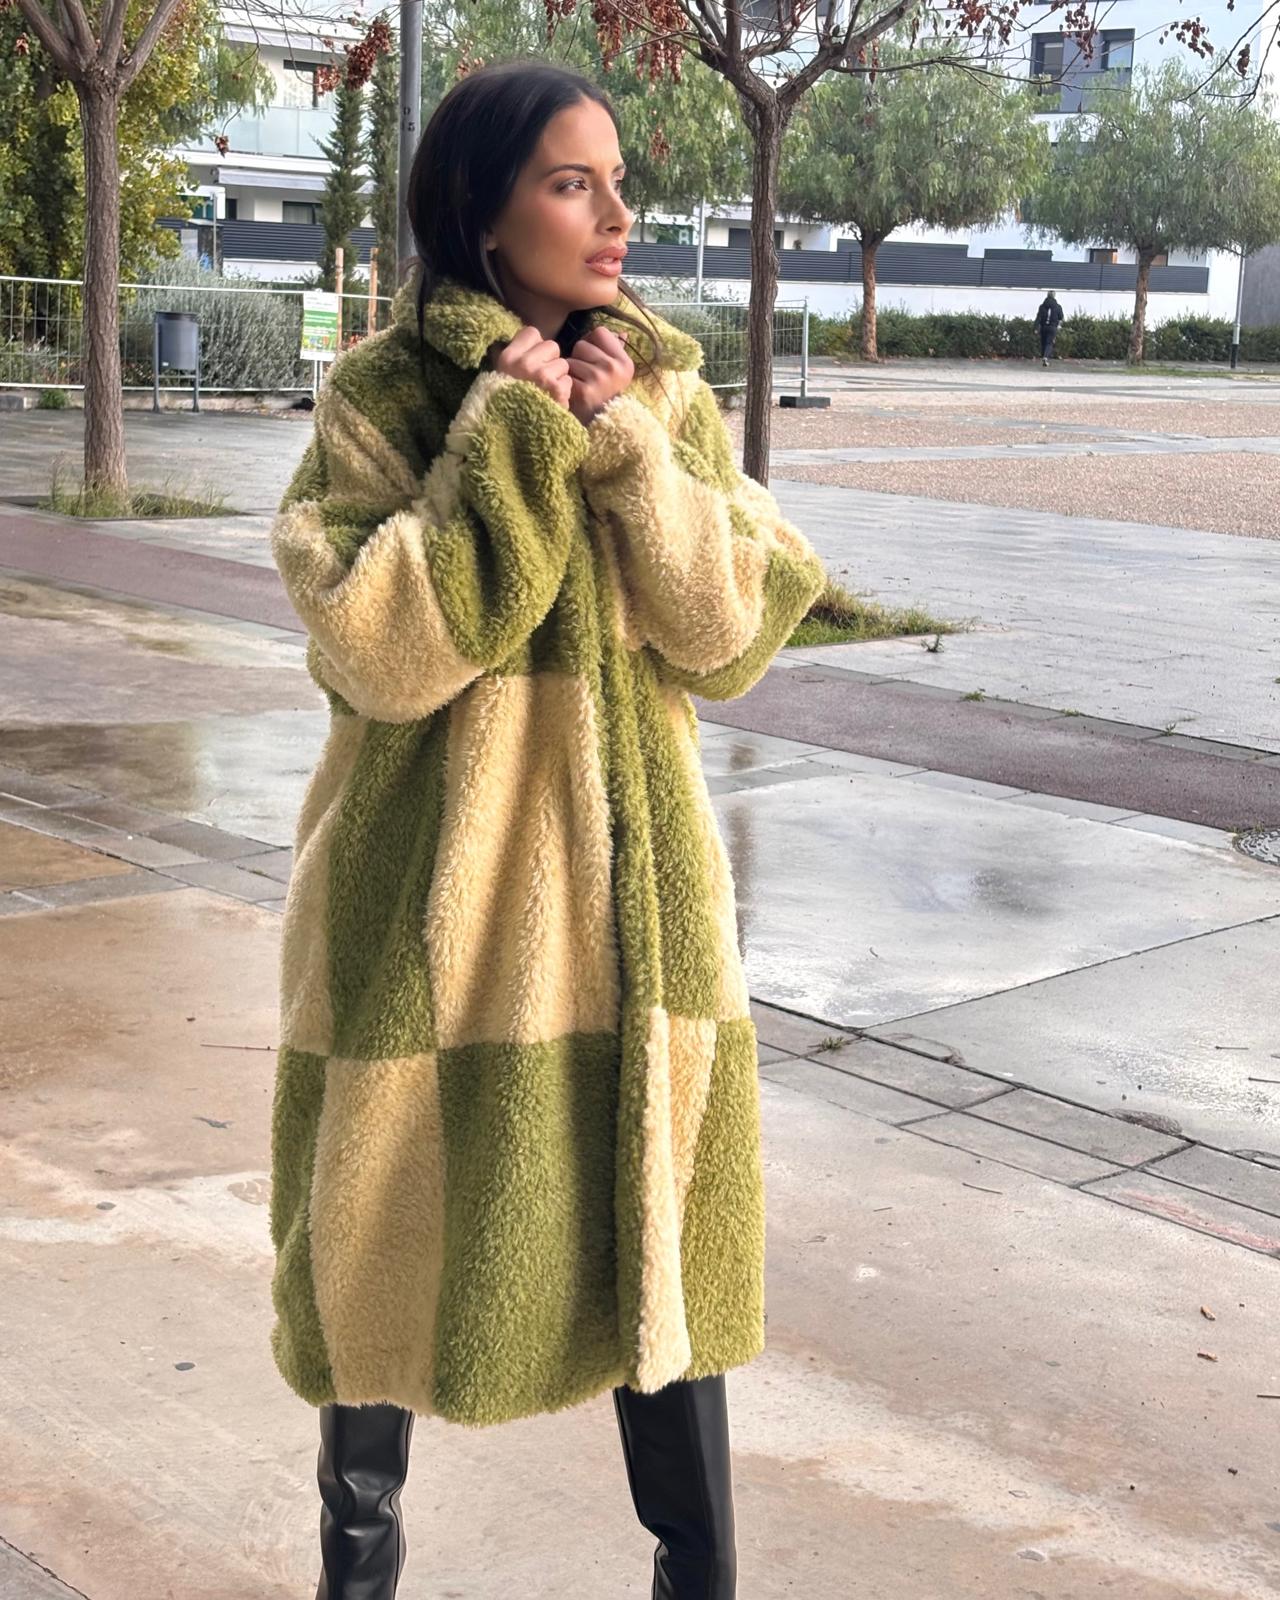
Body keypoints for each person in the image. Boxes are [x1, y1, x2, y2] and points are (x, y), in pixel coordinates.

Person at [266, 57, 827, 1600]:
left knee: (665, 1274)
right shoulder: (383, 400)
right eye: (573, 183)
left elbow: (731, 628)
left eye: (616, 181)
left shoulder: (662, 390)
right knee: (379, 1259)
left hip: (640, 917)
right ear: (483, 210)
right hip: (428, 917)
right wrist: (510, 435)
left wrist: (630, 446)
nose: (615, 217)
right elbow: (383, 650)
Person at [1035, 288, 1064, 366]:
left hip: (1043, 327)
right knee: (1049, 343)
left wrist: (1036, 328)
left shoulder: (1042, 306)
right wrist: (1059, 325)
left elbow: (1038, 317)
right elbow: (1061, 317)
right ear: (1054, 296)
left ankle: (1044, 356)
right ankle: (1045, 357)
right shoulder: (1058, 307)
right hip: (1052, 327)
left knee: (1043, 342)